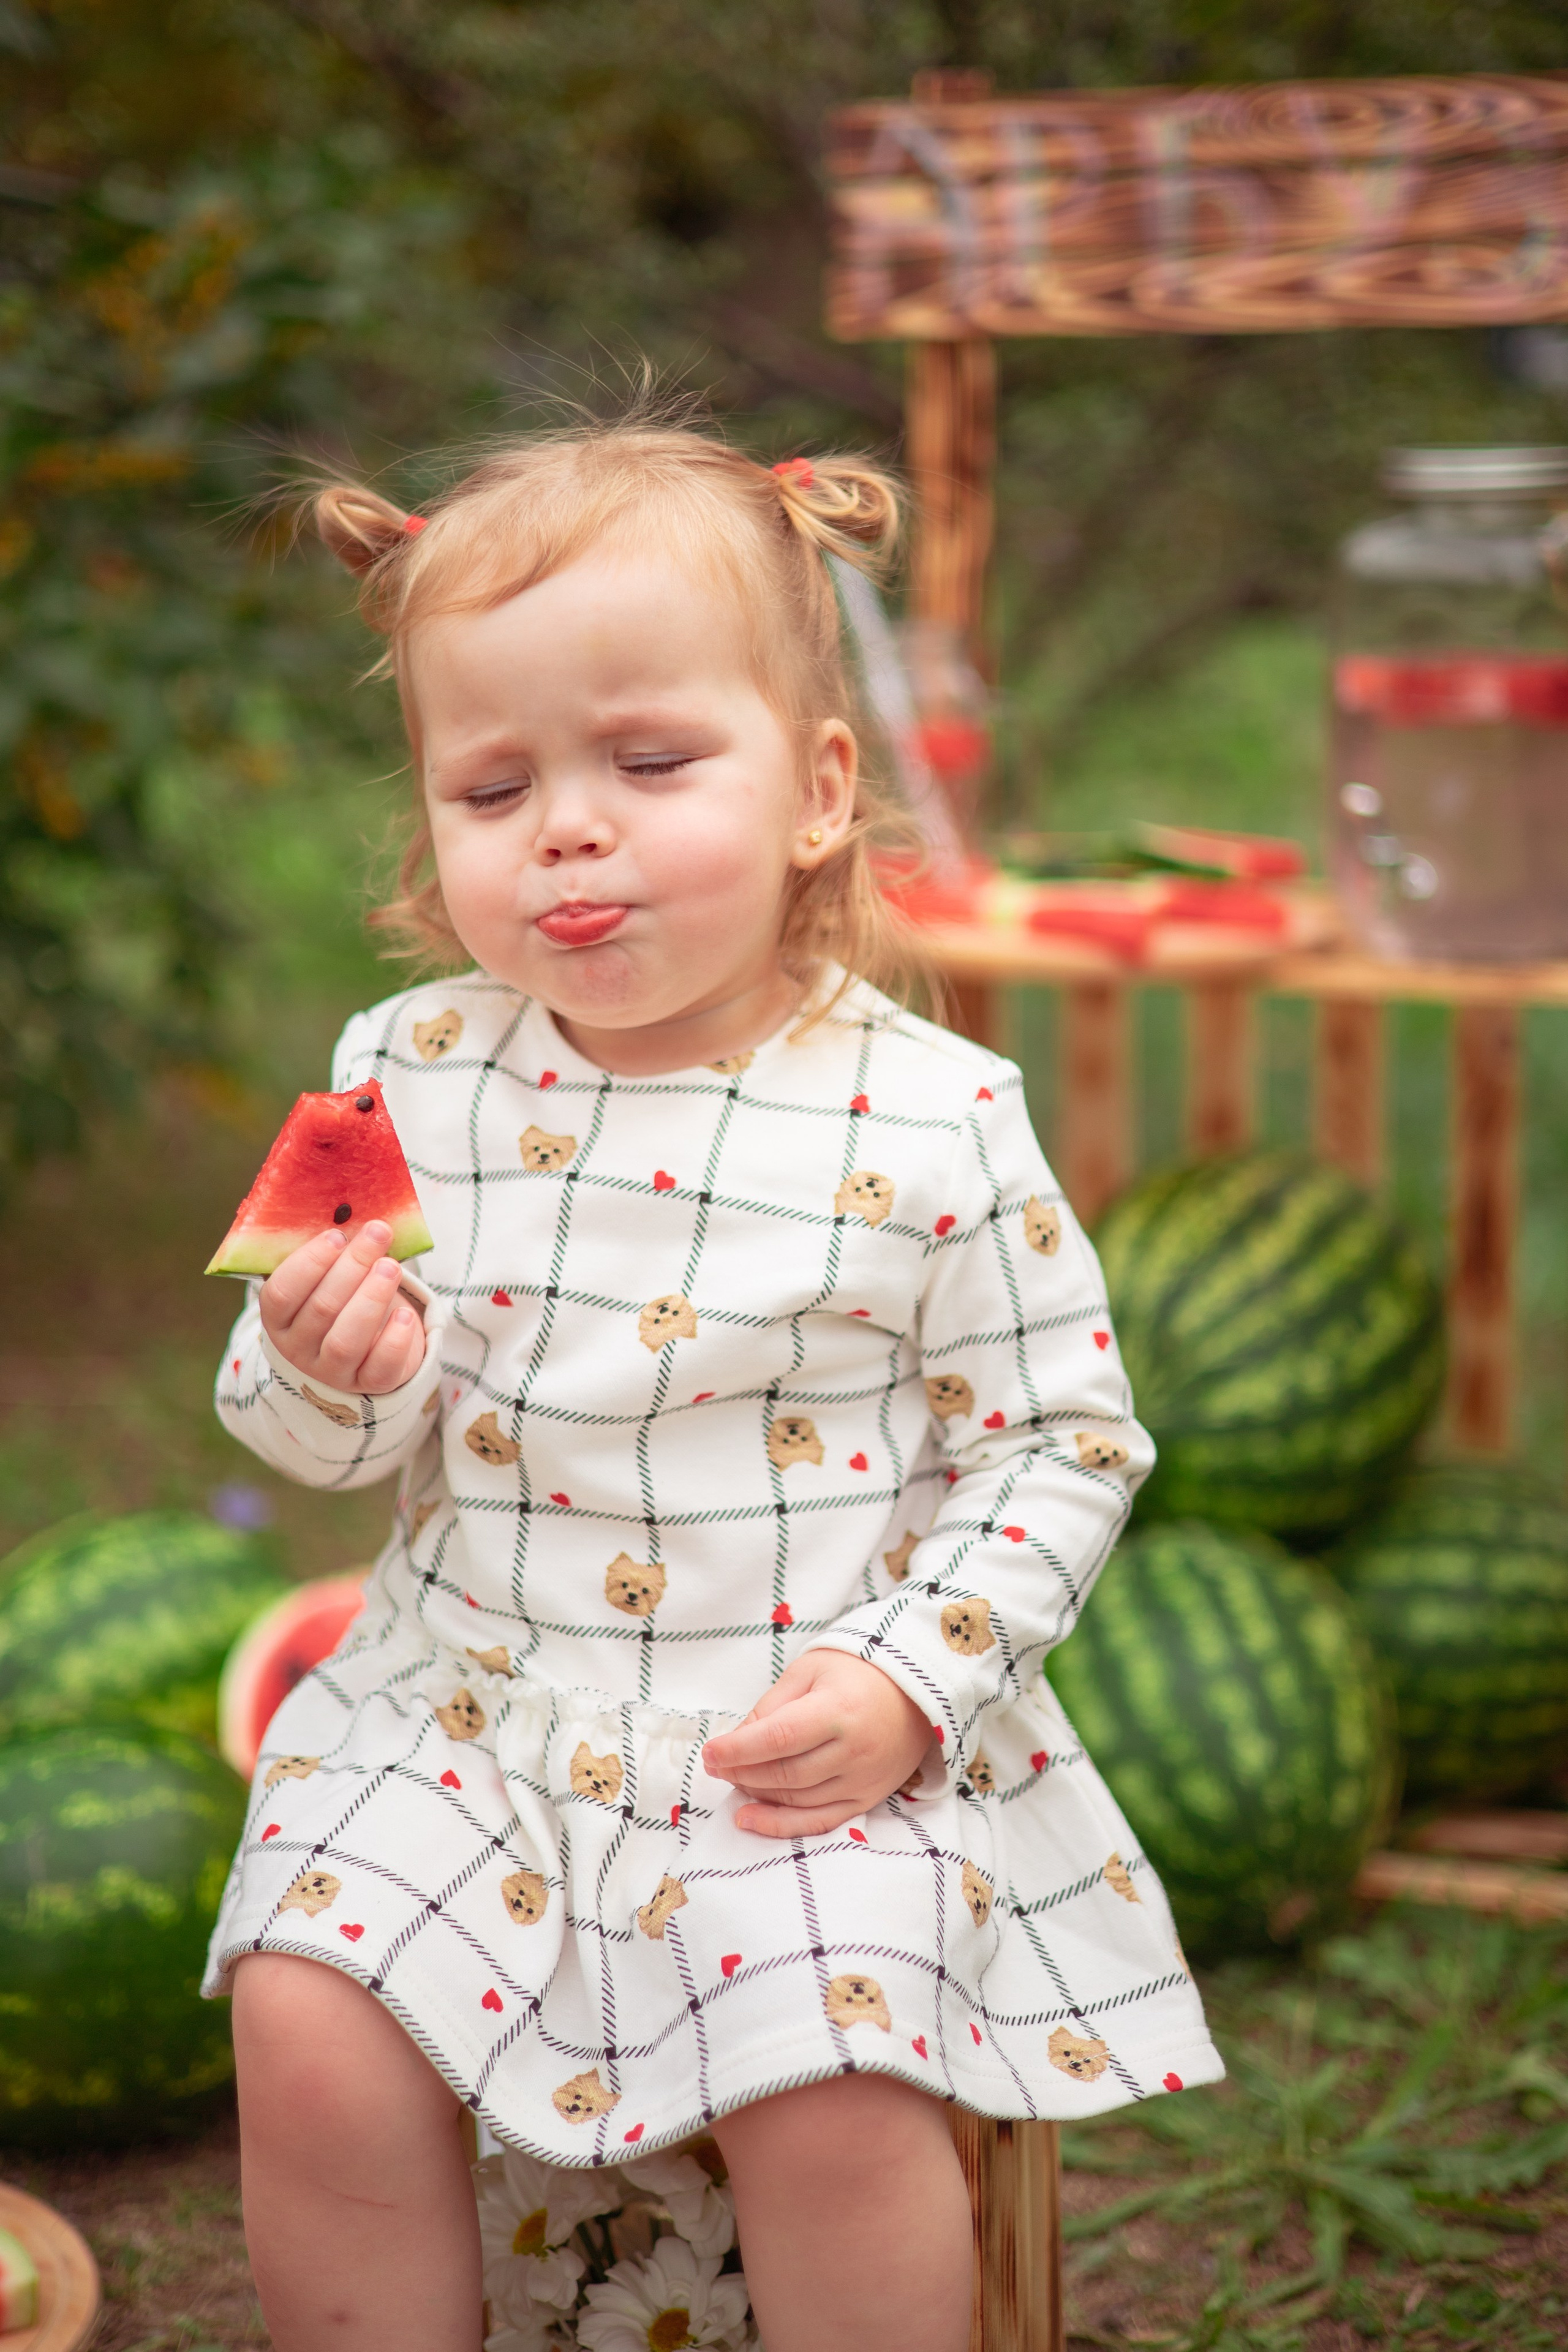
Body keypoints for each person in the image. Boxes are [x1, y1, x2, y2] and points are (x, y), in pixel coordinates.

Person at [206, 417, 1222, 2352]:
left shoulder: (933, 1116)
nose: (567, 828)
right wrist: (327, 1364)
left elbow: (1063, 1439)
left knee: (831, 2094)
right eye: (492, 786)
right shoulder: (398, 1065)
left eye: (650, 763)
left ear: (820, 788)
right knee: (306, 2018)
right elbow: (289, 1420)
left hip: (790, 1748)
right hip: (463, 1714)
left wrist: (913, 1678)